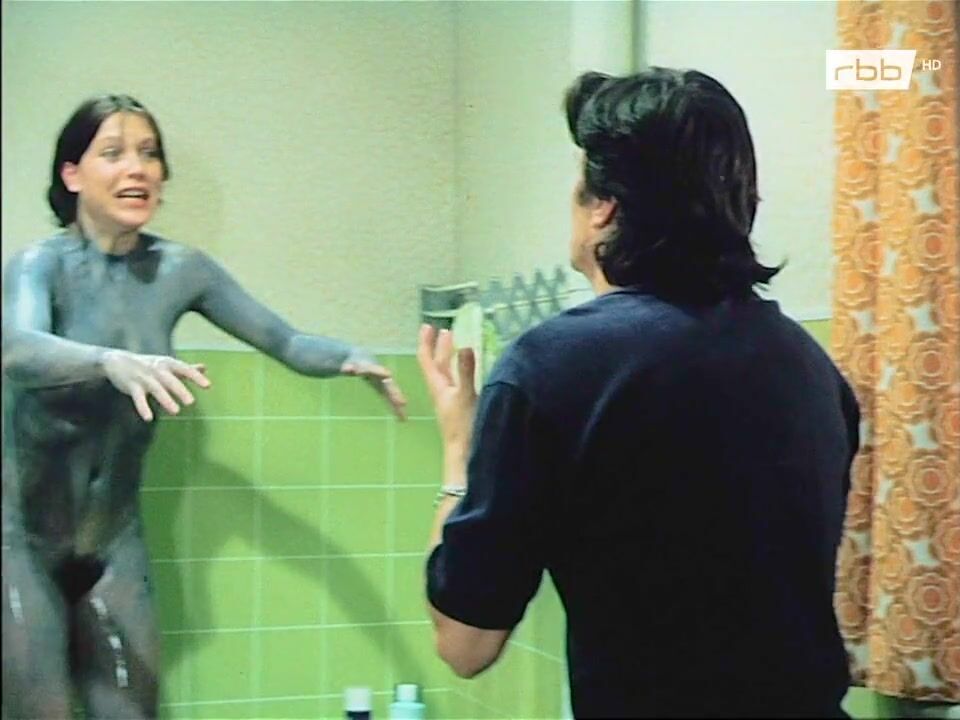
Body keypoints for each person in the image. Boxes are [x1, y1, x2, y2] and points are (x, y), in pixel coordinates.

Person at [417, 68, 859, 718]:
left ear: (604, 206)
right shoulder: (811, 370)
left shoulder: (550, 367)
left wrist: (461, 448)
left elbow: (465, 642)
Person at [1, 94, 407, 720]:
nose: (137, 168)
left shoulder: (181, 271)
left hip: (113, 544)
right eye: (113, 153)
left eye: (149, 154)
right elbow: (17, 351)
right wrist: (108, 361)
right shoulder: (40, 265)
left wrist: (350, 356)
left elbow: (286, 341)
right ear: (72, 174)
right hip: (24, 545)